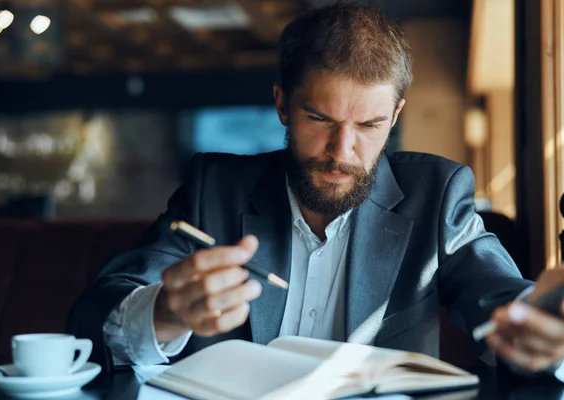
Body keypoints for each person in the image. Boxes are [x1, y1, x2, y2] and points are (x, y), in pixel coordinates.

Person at [67, 3, 564, 378]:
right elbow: (98, 312)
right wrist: (166, 313)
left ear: (394, 116)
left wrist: (542, 336)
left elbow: (503, 299)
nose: (341, 151)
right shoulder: (215, 189)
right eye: (319, 118)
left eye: (369, 124)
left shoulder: (437, 195)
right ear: (282, 104)